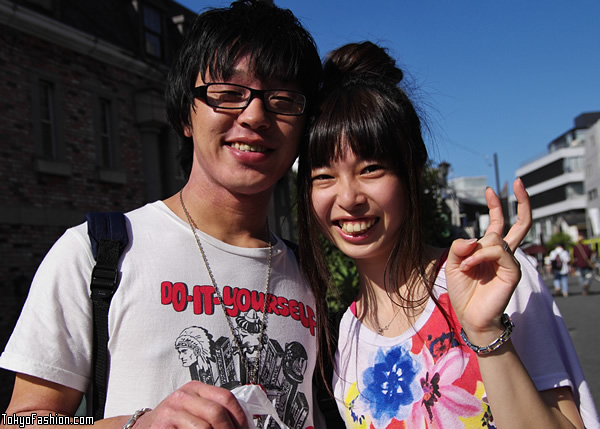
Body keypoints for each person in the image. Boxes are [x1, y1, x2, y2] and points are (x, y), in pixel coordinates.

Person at [0, 1, 324, 428]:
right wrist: (137, 425)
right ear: (186, 116)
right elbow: (23, 421)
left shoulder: (309, 275)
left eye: (282, 100)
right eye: (228, 94)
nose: (255, 116)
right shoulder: (97, 253)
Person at [297, 41, 599, 428]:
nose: (349, 198)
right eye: (323, 176)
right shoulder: (346, 338)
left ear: (412, 173)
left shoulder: (487, 279)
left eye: (371, 168)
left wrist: (486, 333)